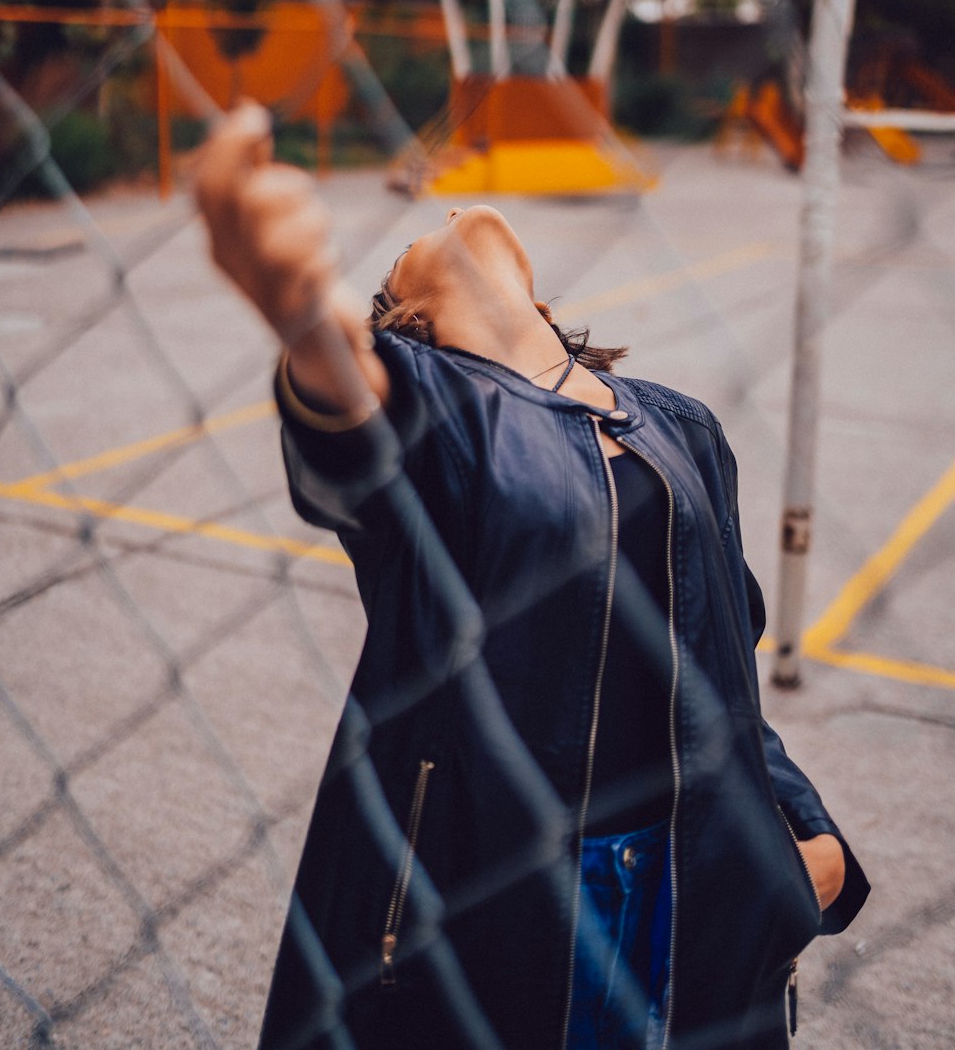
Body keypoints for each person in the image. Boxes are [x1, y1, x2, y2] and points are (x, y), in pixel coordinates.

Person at [196, 104, 869, 1050]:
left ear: (546, 302)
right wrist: (304, 316)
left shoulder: (680, 424)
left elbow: (730, 671)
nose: (449, 212)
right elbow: (350, 427)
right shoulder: (440, 411)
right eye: (416, 242)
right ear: (413, 319)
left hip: (699, 877)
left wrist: (807, 841)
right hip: (514, 906)